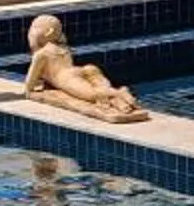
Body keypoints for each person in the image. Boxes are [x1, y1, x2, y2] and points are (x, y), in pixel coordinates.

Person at [21, 15, 149, 124]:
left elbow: (29, 83)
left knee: (92, 95)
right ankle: (118, 101)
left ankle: (119, 93)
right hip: (82, 69)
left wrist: (29, 91)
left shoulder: (41, 54)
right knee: (100, 89)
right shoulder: (63, 47)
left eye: (33, 29)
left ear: (48, 32)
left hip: (66, 78)